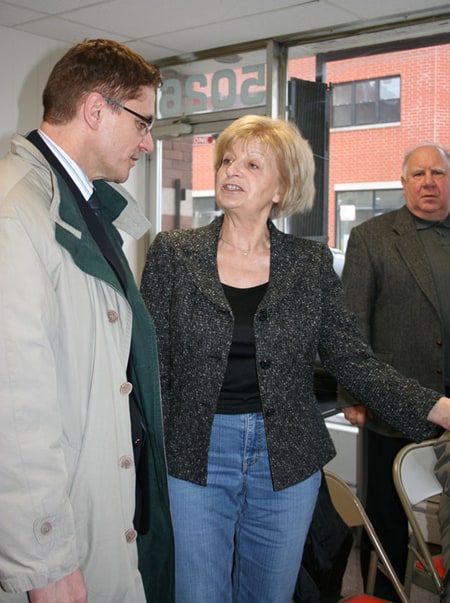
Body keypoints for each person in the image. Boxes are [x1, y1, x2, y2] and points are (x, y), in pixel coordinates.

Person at [139, 115, 450, 603]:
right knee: (197, 593)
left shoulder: (309, 263)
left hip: (286, 455)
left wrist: (438, 407)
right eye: (226, 159)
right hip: (196, 452)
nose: (230, 171)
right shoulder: (174, 254)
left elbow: (352, 358)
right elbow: (150, 364)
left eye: (252, 163)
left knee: (271, 594)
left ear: (281, 188)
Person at [0, 39, 174, 603]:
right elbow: (13, 403)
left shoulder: (84, 203)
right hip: (54, 537)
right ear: (96, 110)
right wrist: (44, 562)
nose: (148, 143)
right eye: (143, 123)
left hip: (99, 492)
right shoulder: (14, 210)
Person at [340, 141, 450, 600]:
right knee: (385, 519)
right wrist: (353, 397)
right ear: (403, 182)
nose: (429, 182)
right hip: (391, 406)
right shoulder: (372, 237)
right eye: (419, 174)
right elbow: (350, 325)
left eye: (438, 174)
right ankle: (381, 595)